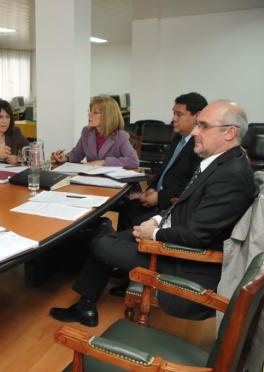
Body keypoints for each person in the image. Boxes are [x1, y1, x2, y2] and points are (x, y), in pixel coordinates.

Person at [49, 100, 256, 326]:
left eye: (203, 126)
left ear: (230, 133)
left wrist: (155, 234)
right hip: (173, 236)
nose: (195, 131)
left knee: (101, 242)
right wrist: (157, 219)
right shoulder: (221, 162)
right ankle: (85, 305)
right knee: (106, 238)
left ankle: (86, 299)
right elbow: (185, 206)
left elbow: (197, 235)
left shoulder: (231, 174)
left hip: (183, 260)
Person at [117, 92, 207, 230]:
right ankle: (120, 247)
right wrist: (151, 189)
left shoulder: (201, 146)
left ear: (198, 116)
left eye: (179, 114)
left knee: (137, 221)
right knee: (127, 208)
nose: (174, 119)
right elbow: (165, 170)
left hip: (174, 205)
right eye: (174, 114)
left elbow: (191, 184)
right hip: (158, 196)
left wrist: (160, 198)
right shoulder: (178, 137)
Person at [51, 95, 139, 168]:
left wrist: (103, 162)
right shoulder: (86, 132)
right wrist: (65, 157)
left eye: (95, 112)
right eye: (90, 111)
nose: (89, 115)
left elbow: (134, 161)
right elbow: (77, 154)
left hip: (112, 182)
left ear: (108, 116)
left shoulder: (120, 136)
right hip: (90, 180)